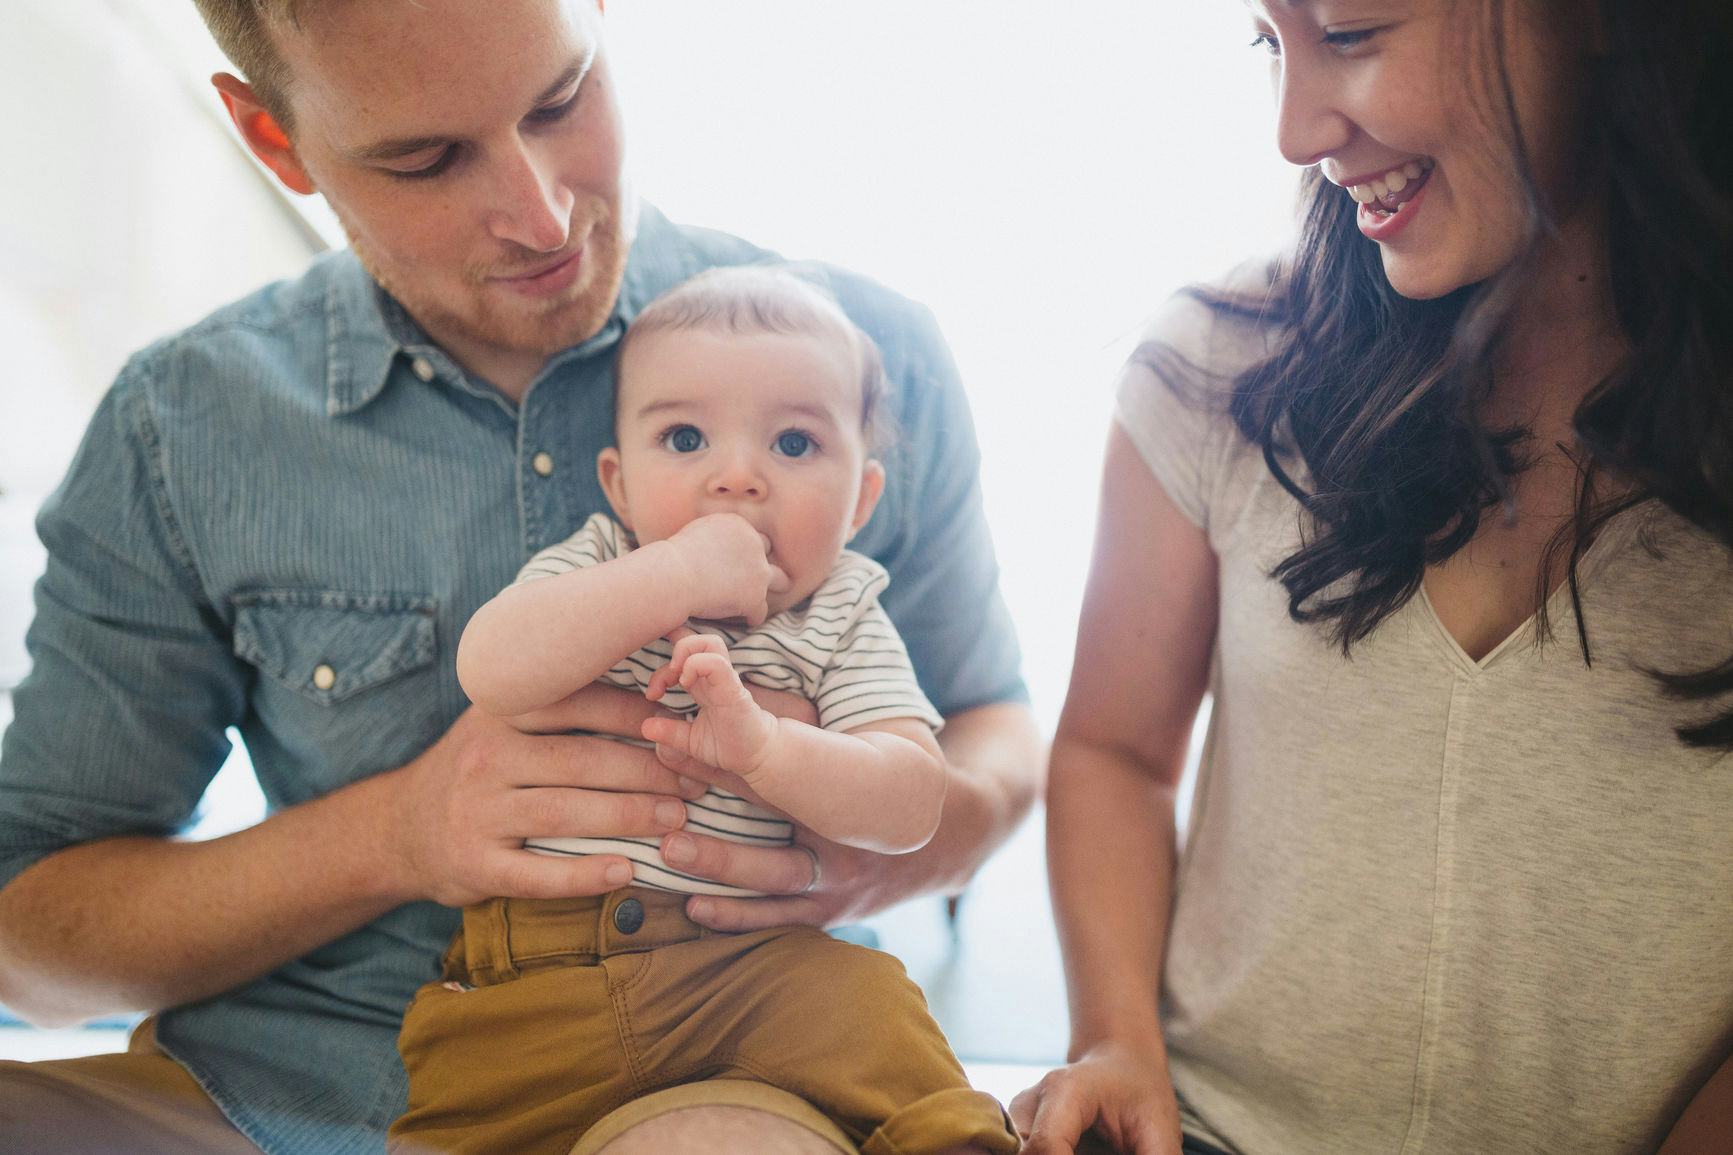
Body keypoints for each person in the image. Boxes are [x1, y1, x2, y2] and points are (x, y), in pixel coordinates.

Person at [0, 1, 1041, 1152]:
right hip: (286, 1082)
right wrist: (394, 834)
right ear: (274, 139)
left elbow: (994, 723)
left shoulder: (845, 364)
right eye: (424, 158)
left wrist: (862, 839)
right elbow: (29, 939)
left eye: (561, 99)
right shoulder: (183, 426)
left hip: (742, 1039)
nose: (540, 213)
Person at [1011, 2, 1733, 1153]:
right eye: (1267, 43)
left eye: (1349, 32)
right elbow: (1112, 751)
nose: (1293, 130)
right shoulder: (1211, 367)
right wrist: (1113, 1046)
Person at [388, 266, 1017, 1154]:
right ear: (619, 482)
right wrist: (672, 575)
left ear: (862, 498)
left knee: (873, 1010)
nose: (737, 478)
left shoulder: (840, 612)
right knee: (454, 1101)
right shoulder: (605, 560)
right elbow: (492, 666)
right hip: (536, 974)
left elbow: (912, 799)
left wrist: (770, 748)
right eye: (684, 437)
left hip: (752, 969)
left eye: (794, 445)